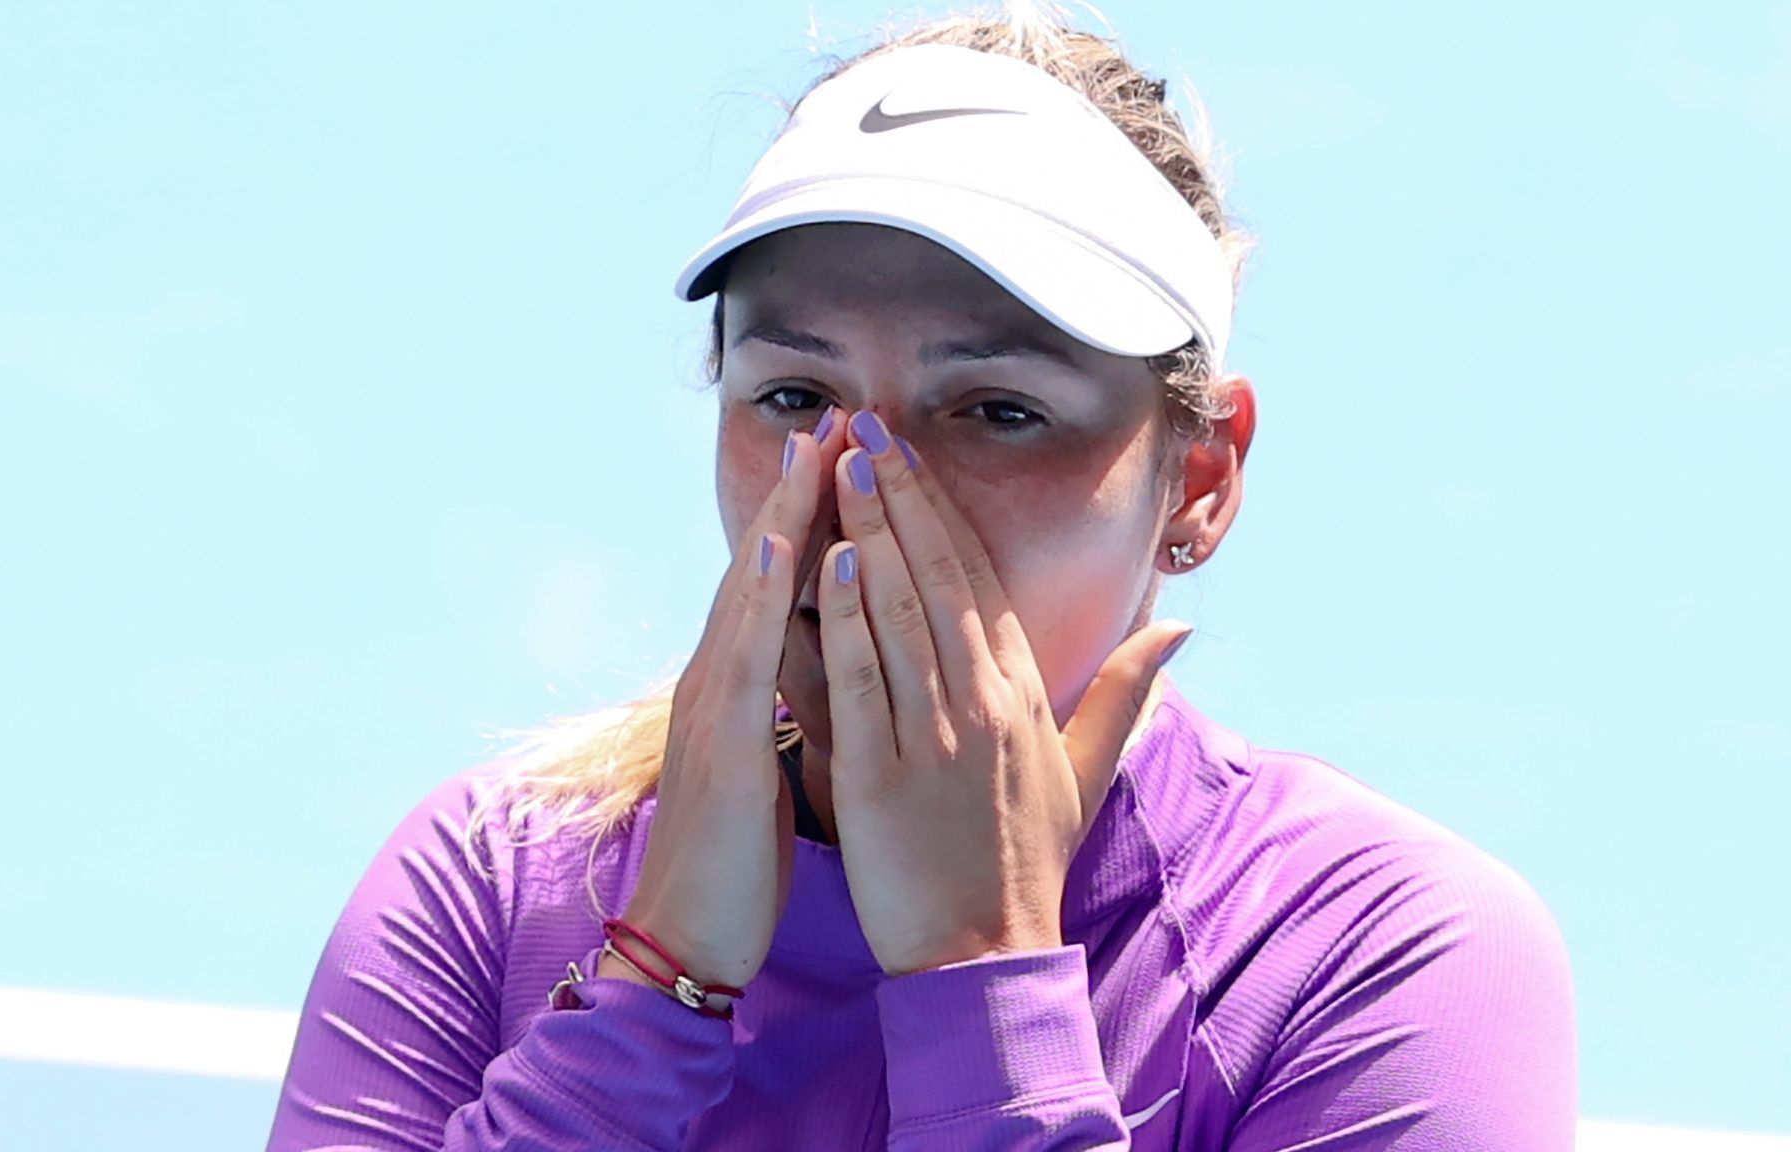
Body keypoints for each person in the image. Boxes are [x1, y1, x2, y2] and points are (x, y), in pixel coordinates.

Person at [264, 6, 1576, 1149]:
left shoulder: (1378, 951)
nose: (861, 490)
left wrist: (982, 978)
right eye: (794, 395)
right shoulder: (495, 881)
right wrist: (652, 990)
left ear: (1200, 478)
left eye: (999, 410)